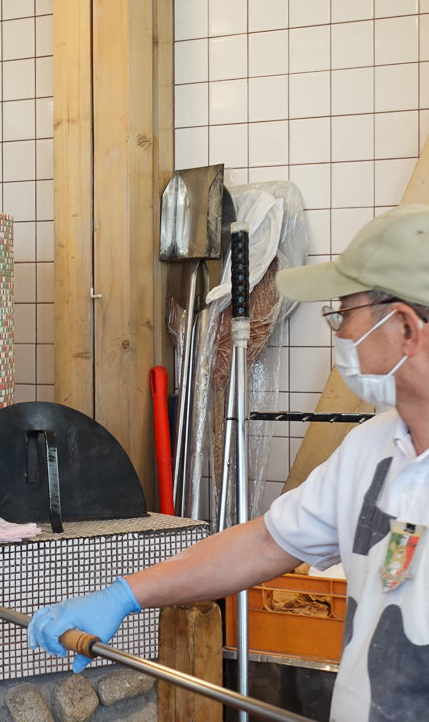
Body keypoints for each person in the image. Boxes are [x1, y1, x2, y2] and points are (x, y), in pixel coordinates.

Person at [27, 204, 429, 722]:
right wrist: (126, 595)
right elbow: (267, 542)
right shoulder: (371, 448)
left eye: (342, 314)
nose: (339, 334)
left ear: (403, 327)